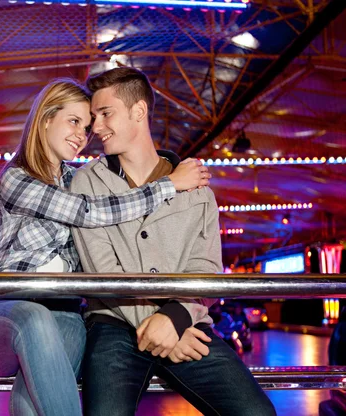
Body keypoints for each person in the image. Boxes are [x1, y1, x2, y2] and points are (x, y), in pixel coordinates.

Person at [0, 78, 210, 416]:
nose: (82, 135)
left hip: (61, 315)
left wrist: (173, 319)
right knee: (34, 320)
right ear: (46, 118)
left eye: (88, 127)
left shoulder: (79, 181)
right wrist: (168, 184)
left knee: (37, 390)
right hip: (1, 315)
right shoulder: (17, 178)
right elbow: (88, 212)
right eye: (74, 121)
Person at [70, 67, 276, 416]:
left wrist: (176, 318)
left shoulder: (198, 190)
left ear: (139, 111)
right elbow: (102, 270)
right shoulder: (86, 184)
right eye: (93, 117)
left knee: (257, 413)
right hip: (115, 327)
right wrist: (166, 328)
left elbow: (206, 267)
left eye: (105, 114)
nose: (96, 127)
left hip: (185, 322)